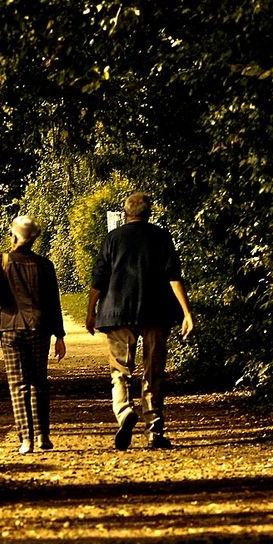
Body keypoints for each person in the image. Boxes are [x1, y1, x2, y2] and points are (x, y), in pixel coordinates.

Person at [86, 192, 193, 451]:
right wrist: (187, 312)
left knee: (120, 371)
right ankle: (154, 430)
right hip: (156, 312)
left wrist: (91, 310)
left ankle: (124, 413)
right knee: (153, 371)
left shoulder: (112, 238)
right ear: (149, 213)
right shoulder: (161, 237)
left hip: (118, 312)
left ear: (126, 213)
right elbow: (173, 276)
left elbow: (99, 278)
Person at [0, 215, 67, 454]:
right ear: (34, 240)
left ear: (13, 236)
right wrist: (59, 335)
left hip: (11, 329)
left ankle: (26, 440)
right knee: (38, 382)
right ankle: (43, 435)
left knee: (18, 383)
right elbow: (54, 302)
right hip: (40, 328)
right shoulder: (45, 265)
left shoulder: (1, 262)